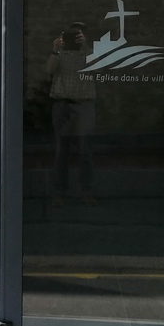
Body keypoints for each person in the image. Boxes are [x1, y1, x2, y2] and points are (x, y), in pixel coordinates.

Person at [47, 23, 97, 205]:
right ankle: (59, 192)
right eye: (72, 35)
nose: (75, 38)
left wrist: (85, 46)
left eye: (79, 34)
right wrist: (55, 50)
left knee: (85, 150)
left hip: (84, 104)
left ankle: (86, 191)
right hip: (63, 104)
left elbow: (97, 67)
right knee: (61, 150)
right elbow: (49, 70)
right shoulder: (60, 54)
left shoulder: (89, 54)